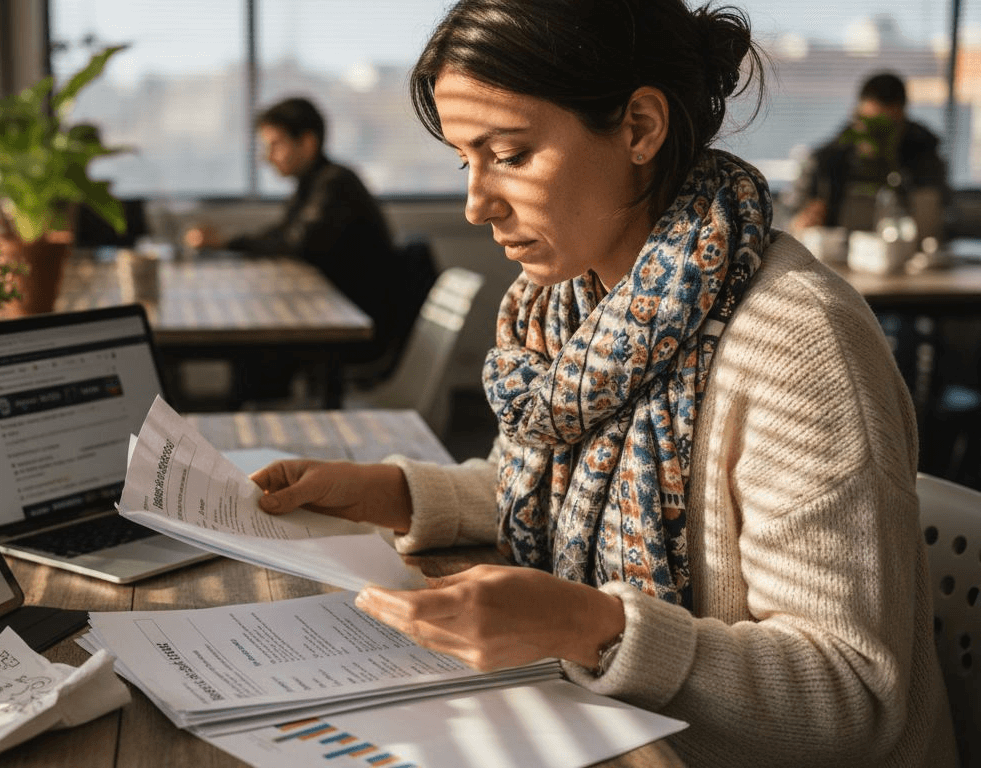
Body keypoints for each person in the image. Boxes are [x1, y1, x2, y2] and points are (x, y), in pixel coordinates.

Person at [249, 2, 955, 765]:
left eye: (510, 155)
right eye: (467, 160)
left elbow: (851, 696)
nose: (476, 204)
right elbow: (551, 491)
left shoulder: (797, 344)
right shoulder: (576, 302)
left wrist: (591, 627)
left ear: (640, 129)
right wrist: (392, 492)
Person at [185, 97, 410, 365]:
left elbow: (297, 243)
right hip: (337, 316)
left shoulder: (334, 184)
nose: (267, 157)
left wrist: (223, 243)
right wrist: (225, 242)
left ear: (307, 142)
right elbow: (282, 233)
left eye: (275, 145)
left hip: (355, 329)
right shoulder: (312, 183)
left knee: (254, 340)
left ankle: (255, 404)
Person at [786, 71, 949, 234]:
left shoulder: (925, 161)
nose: (875, 136)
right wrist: (801, 221)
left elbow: (948, 218)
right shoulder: (825, 162)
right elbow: (786, 217)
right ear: (856, 116)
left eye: (885, 128)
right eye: (869, 124)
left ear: (903, 121)